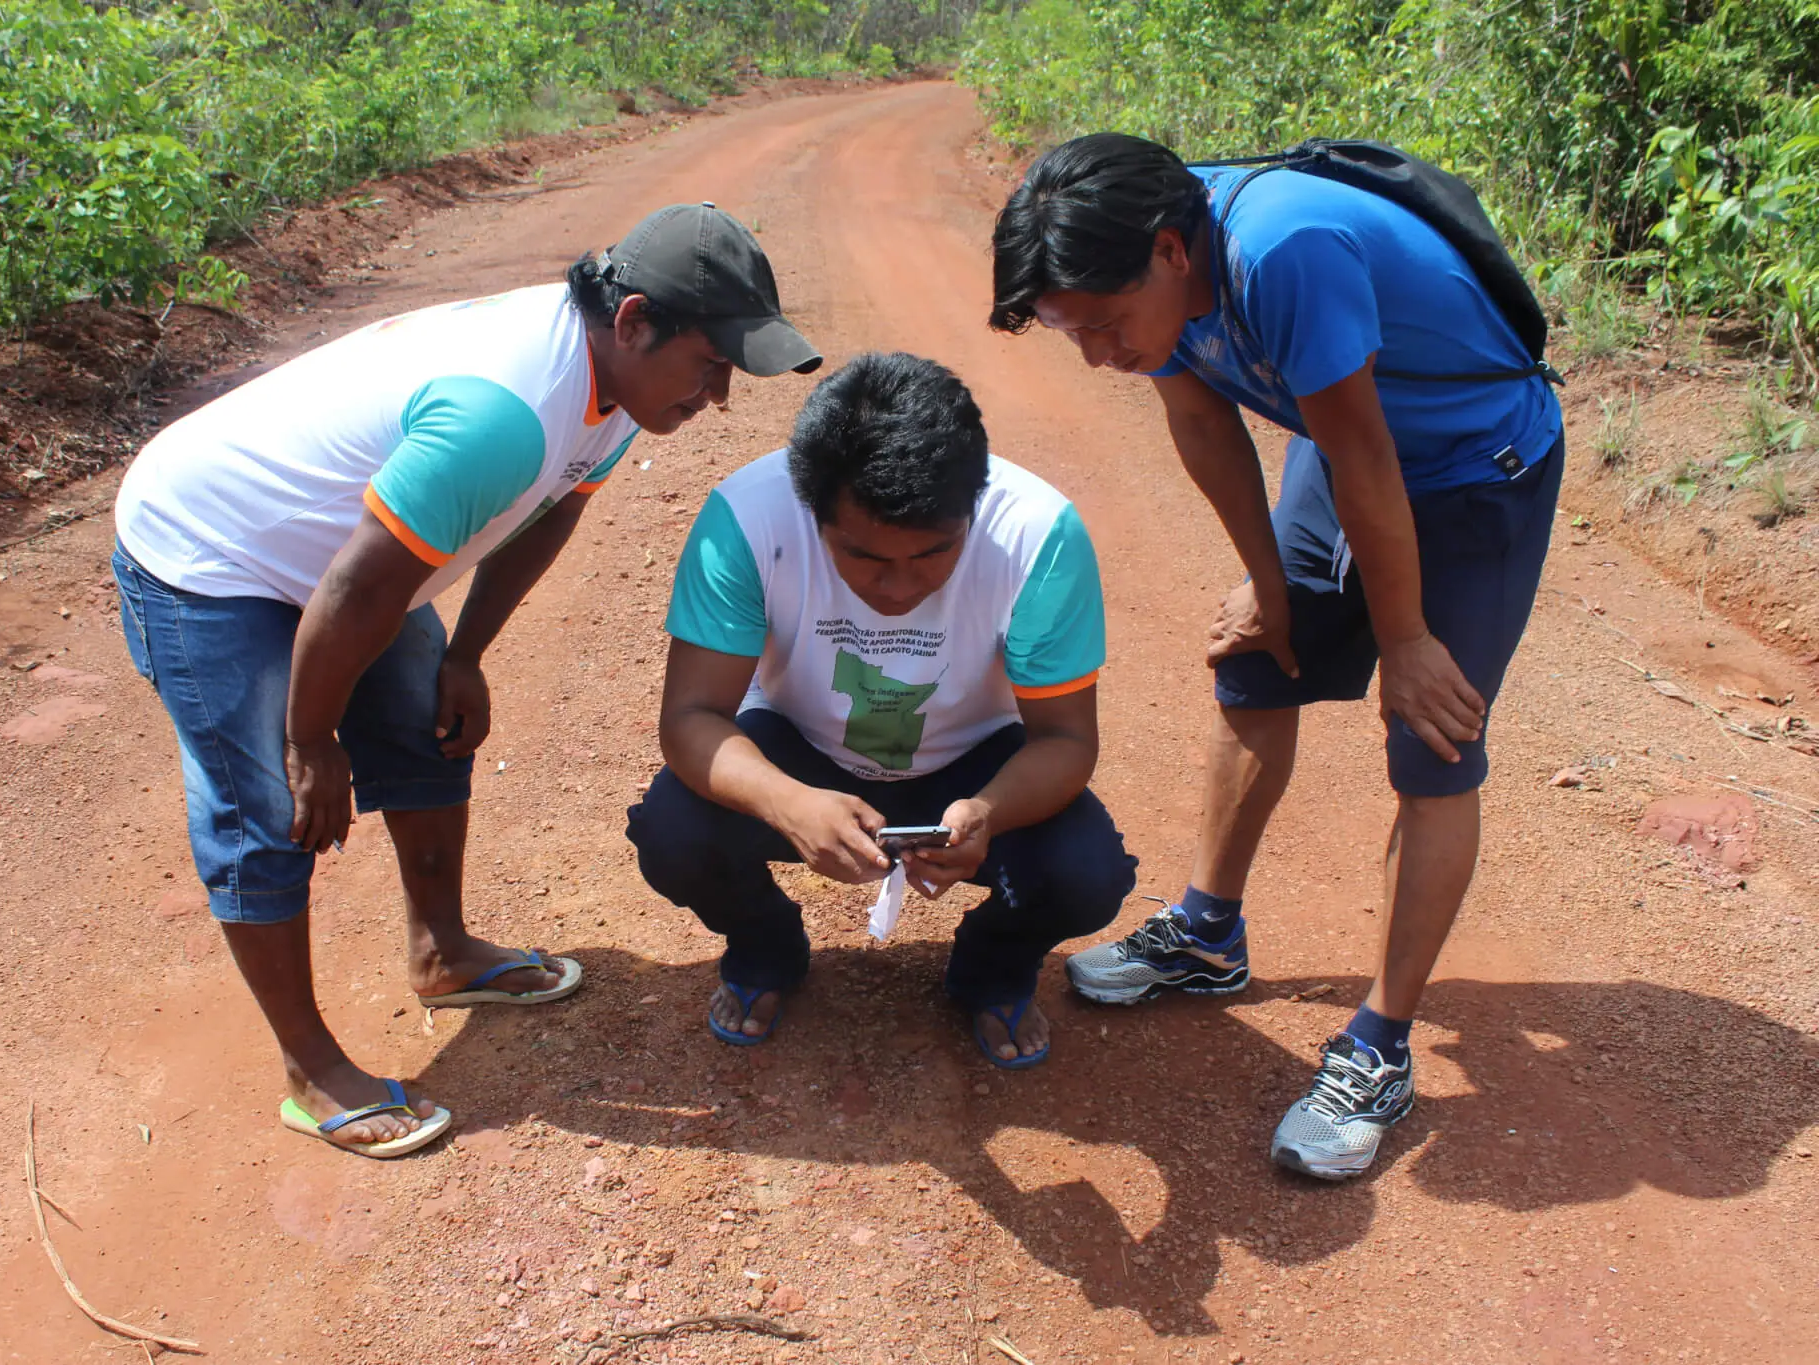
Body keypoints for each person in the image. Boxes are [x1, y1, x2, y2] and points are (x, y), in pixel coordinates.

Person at [110, 204, 820, 1157]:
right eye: (711, 364)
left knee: (423, 718)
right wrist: (310, 739)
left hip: (339, 558)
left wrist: (465, 653)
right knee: (266, 808)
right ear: (636, 319)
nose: (718, 396)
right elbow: (361, 589)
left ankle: (441, 952)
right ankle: (310, 1066)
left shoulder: (614, 384)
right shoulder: (506, 410)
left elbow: (552, 508)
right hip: (212, 552)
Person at [989, 133, 1565, 1177]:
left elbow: (1364, 456)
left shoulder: (1282, 249)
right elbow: (1205, 426)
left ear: (1172, 254)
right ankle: (1206, 934)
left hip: (1471, 463)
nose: (1102, 358)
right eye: (1076, 337)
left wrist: (1405, 640)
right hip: (1346, 443)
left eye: (1108, 329)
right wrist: (1266, 584)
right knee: (1256, 667)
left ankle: (1378, 1050)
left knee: (1427, 740)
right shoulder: (1145, 248)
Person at [626, 351, 1138, 1069]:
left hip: (977, 760)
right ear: (813, 511)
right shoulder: (746, 519)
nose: (901, 587)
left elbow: (1064, 740)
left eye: (935, 552)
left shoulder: (1038, 535)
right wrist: (790, 803)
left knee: (1087, 874)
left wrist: (986, 813)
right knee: (673, 832)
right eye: (864, 557)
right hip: (800, 745)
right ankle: (765, 942)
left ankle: (993, 963)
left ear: (975, 502)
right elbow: (690, 718)